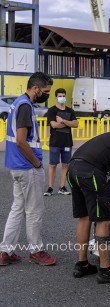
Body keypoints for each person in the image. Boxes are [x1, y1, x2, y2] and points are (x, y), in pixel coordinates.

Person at [0, 72, 57, 266]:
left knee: (17, 209)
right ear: (36, 88)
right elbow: (21, 141)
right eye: (46, 91)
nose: (46, 94)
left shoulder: (18, 103)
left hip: (16, 166)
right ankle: (36, 251)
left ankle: (5, 251)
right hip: (27, 167)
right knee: (34, 210)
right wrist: (37, 164)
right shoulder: (25, 106)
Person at [66, 131, 110, 283]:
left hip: (72, 168)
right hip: (91, 172)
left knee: (84, 217)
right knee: (103, 220)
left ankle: (82, 264)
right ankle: (106, 270)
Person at [44, 88, 79, 196]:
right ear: (56, 97)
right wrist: (68, 123)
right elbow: (54, 125)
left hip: (67, 142)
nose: (62, 98)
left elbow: (76, 124)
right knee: (53, 165)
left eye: (63, 95)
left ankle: (62, 187)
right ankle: (50, 187)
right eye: (60, 96)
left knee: (65, 165)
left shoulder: (70, 111)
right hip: (55, 142)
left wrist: (63, 121)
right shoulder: (52, 110)